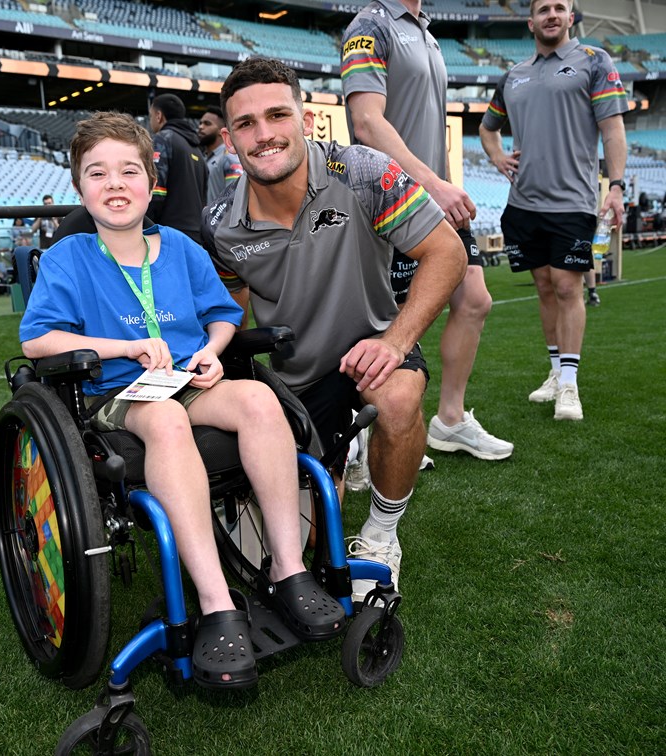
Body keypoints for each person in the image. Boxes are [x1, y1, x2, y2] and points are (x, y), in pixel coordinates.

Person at [20, 110, 345, 689]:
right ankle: (217, 601)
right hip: (112, 395)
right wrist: (125, 346)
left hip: (187, 381)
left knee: (258, 400)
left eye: (129, 171)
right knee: (167, 419)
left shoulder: (181, 248)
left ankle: (288, 569)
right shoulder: (68, 256)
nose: (115, 184)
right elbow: (38, 339)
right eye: (98, 173)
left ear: (152, 183)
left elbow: (223, 315)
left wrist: (214, 352)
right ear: (79, 187)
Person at [201, 57, 466, 597]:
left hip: (375, 343)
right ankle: (345, 449)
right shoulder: (220, 224)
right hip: (299, 376)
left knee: (395, 399)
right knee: (301, 546)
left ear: (307, 120)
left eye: (278, 115)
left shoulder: (363, 172)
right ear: (229, 140)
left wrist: (395, 342)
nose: (264, 134)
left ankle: (383, 535)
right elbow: (231, 309)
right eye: (246, 124)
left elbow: (447, 252)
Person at [341, 0, 513, 463]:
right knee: (394, 316)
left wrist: (442, 183)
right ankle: (377, 430)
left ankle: (450, 420)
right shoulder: (370, 24)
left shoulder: (427, 33)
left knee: (474, 299)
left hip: (432, 193)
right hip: (391, 194)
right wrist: (431, 184)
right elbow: (366, 121)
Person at [479, 0, 627, 421]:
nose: (552, 14)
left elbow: (612, 129)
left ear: (571, 17)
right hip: (523, 203)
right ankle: (555, 370)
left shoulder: (594, 61)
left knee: (567, 287)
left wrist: (616, 186)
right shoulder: (514, 75)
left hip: (572, 201)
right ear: (531, 22)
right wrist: (497, 156)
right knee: (544, 287)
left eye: (560, 7)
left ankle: (569, 385)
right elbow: (488, 128)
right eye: (544, 8)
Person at [147, 93, 208, 242]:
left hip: (168, 233)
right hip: (196, 233)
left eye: (151, 116)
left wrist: (146, 225)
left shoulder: (162, 139)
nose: (150, 120)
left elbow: (156, 189)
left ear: (159, 116)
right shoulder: (197, 149)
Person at [197, 105, 243, 205]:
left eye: (207, 124)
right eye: (200, 123)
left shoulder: (229, 157)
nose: (200, 127)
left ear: (221, 131)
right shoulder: (204, 157)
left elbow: (234, 196)